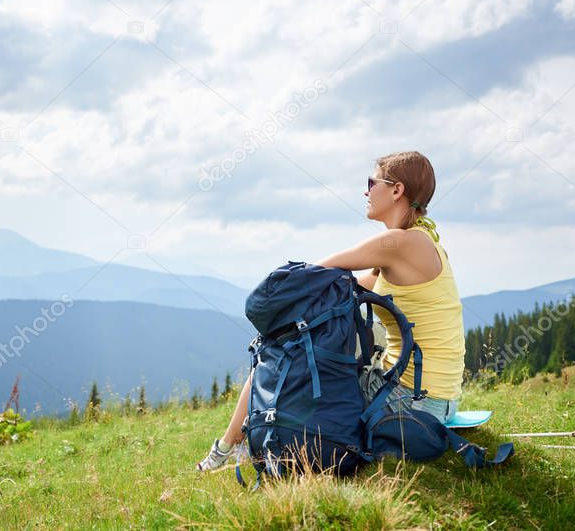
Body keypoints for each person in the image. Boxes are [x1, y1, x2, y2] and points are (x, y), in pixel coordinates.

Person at [196, 151, 465, 472]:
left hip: (410, 404)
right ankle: (239, 443)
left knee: (281, 352)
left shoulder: (398, 242)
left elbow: (316, 272)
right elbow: (348, 291)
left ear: (397, 191)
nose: (366, 192)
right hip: (436, 401)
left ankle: (227, 449)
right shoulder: (422, 242)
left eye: (372, 182)